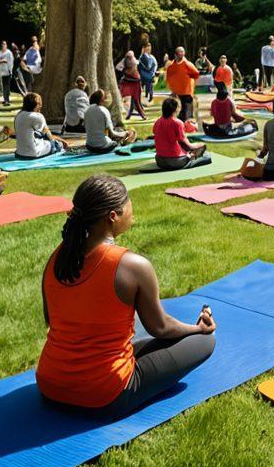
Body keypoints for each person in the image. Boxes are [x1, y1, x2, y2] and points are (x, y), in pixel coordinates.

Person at [36, 174, 216, 417]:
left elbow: (51, 320)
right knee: (206, 342)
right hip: (104, 395)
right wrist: (198, 330)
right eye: (128, 203)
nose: (132, 209)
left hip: (50, 386)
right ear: (113, 216)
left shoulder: (58, 257)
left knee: (136, 338)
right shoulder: (132, 265)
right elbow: (160, 328)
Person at [152, 97, 208, 170]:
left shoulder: (157, 122)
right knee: (202, 146)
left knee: (182, 146)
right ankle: (191, 156)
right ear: (176, 109)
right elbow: (188, 145)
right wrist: (198, 145)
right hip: (175, 161)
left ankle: (189, 155)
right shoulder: (177, 123)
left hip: (159, 160)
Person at [14, 93, 68, 160]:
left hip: (19, 153)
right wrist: (63, 141)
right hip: (33, 153)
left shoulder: (18, 115)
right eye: (40, 104)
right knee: (57, 145)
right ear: (37, 104)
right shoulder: (37, 117)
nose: (41, 106)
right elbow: (49, 137)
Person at [164, 47, 200, 125]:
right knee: (182, 107)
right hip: (178, 91)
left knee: (187, 107)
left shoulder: (187, 64)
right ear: (175, 55)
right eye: (179, 53)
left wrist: (189, 80)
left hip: (187, 90)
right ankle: (182, 122)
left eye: (182, 53)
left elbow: (196, 74)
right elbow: (168, 77)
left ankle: (187, 123)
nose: (181, 54)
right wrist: (172, 89)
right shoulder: (171, 66)